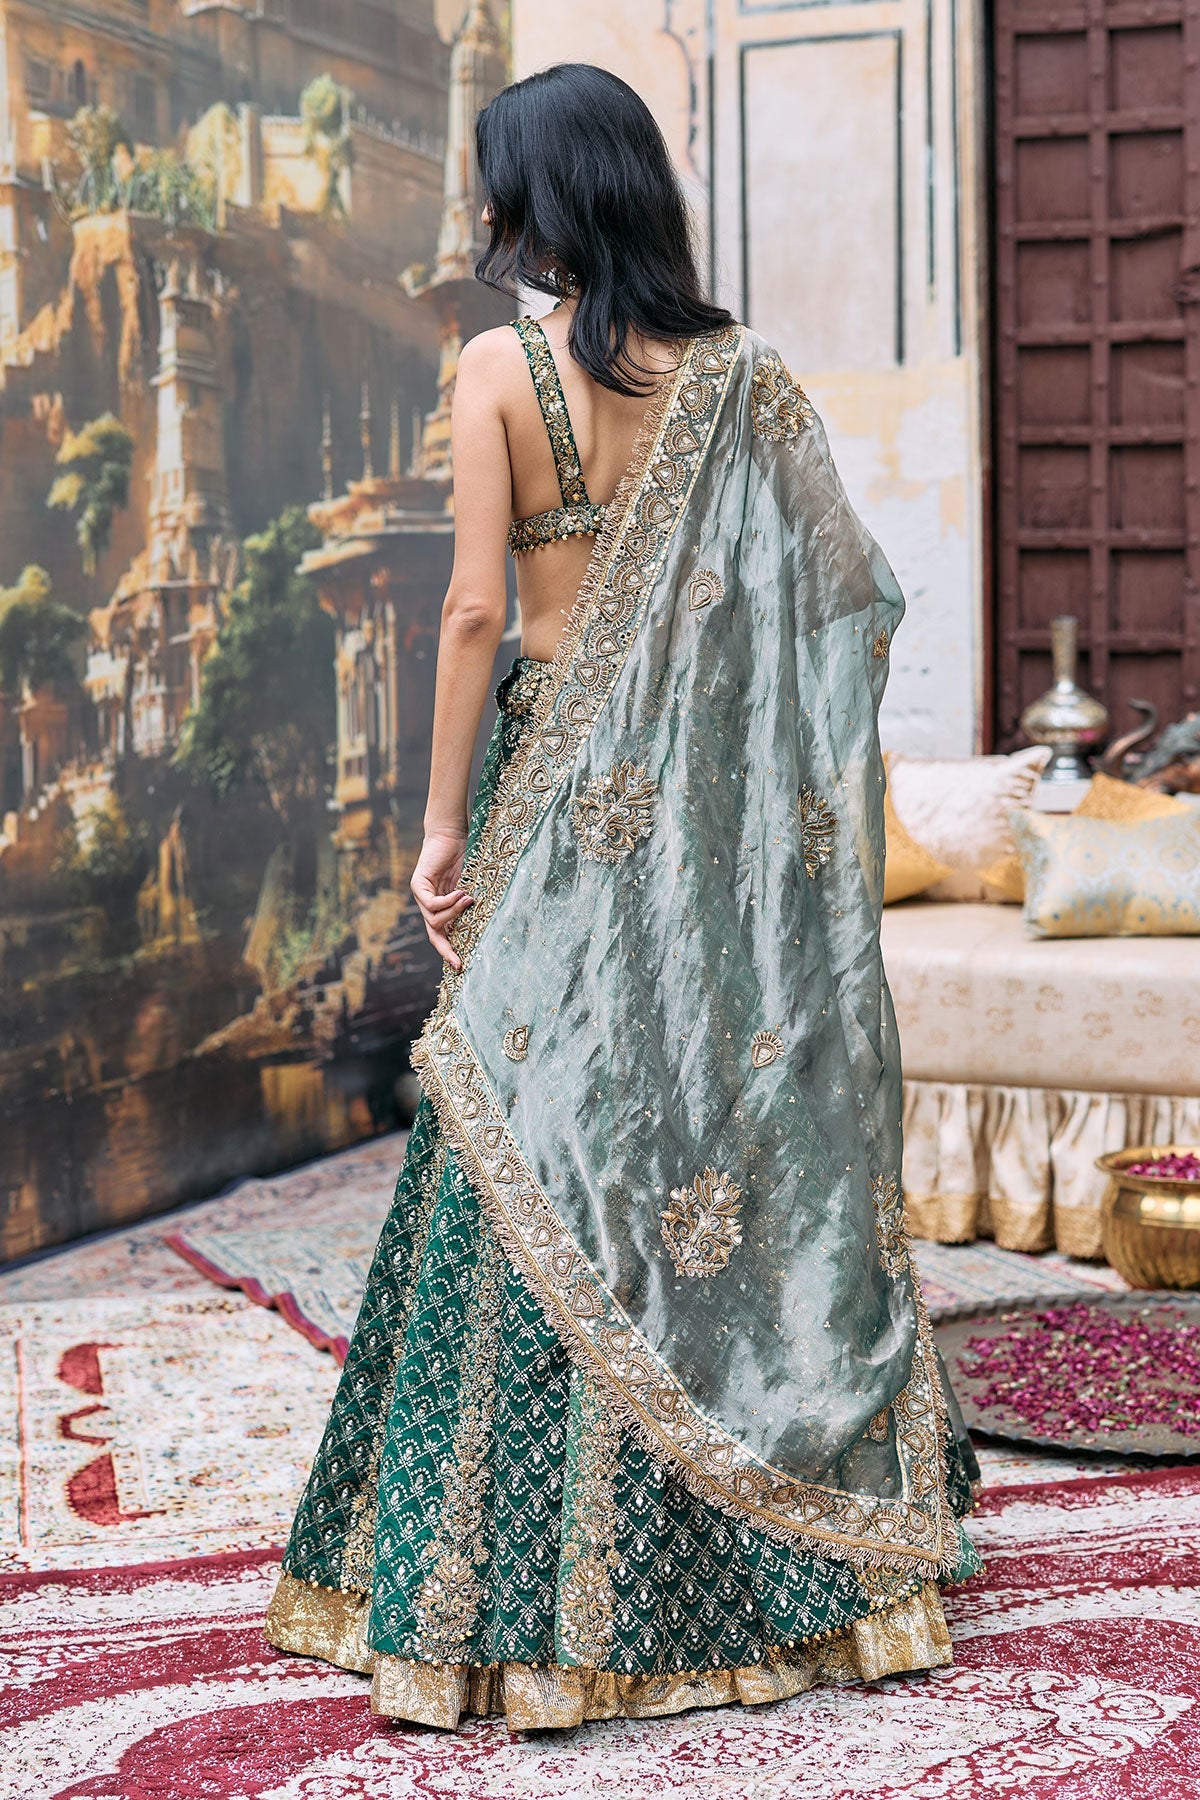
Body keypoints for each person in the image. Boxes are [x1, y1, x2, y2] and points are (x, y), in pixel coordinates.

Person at [266, 60, 981, 1733]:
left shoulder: (496, 369)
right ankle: (778, 1548)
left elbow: (471, 614)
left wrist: (437, 832)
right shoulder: (743, 377)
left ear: (534, 195)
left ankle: (502, 1589)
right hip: (702, 826)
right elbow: (838, 597)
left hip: (548, 789)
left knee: (528, 1120)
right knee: (691, 1132)